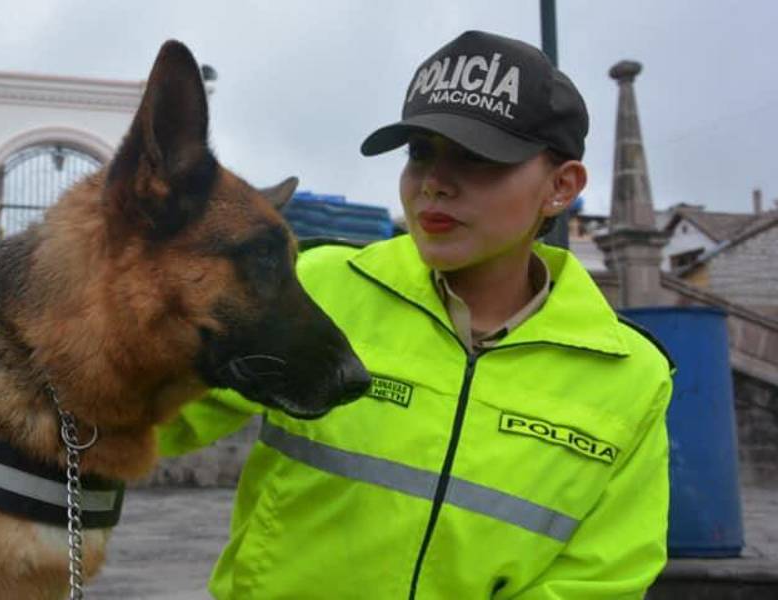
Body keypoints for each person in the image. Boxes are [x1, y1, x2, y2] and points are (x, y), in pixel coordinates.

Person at [159, 31, 673, 599]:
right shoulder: (318, 285)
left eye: (477, 158)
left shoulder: (631, 377)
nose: (434, 183)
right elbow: (132, 414)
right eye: (420, 152)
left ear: (561, 187)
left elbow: (601, 582)